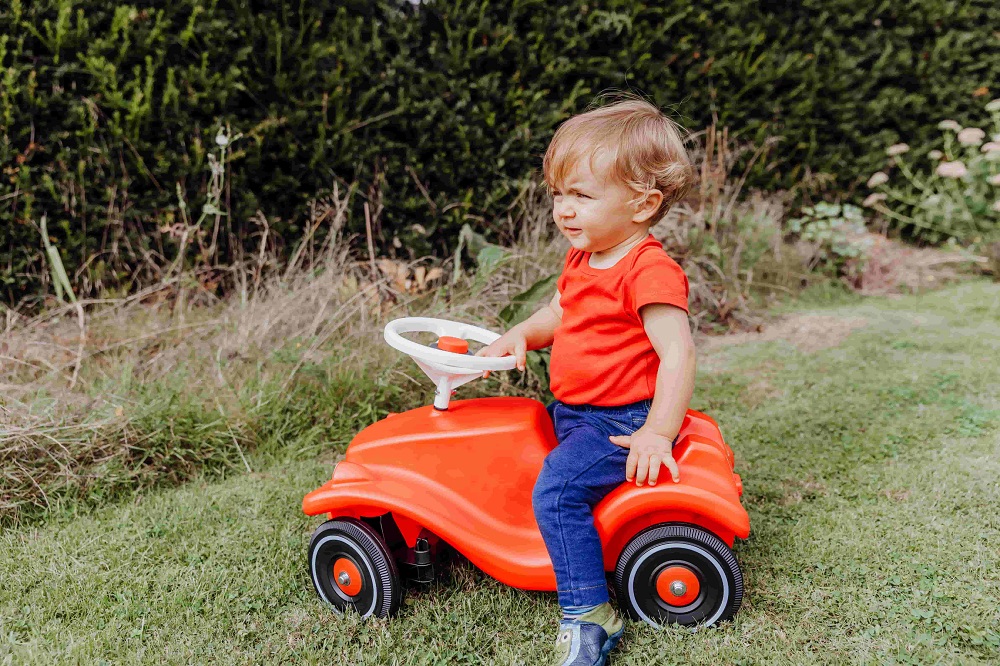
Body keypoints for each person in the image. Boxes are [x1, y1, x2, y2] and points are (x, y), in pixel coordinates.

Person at [477, 96, 697, 666]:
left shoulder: (647, 269)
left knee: (557, 491)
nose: (564, 210)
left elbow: (677, 355)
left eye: (583, 195)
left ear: (643, 204)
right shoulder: (586, 256)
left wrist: (655, 434)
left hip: (620, 420)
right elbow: (559, 314)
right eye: (559, 194)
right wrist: (522, 334)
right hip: (572, 410)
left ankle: (589, 614)